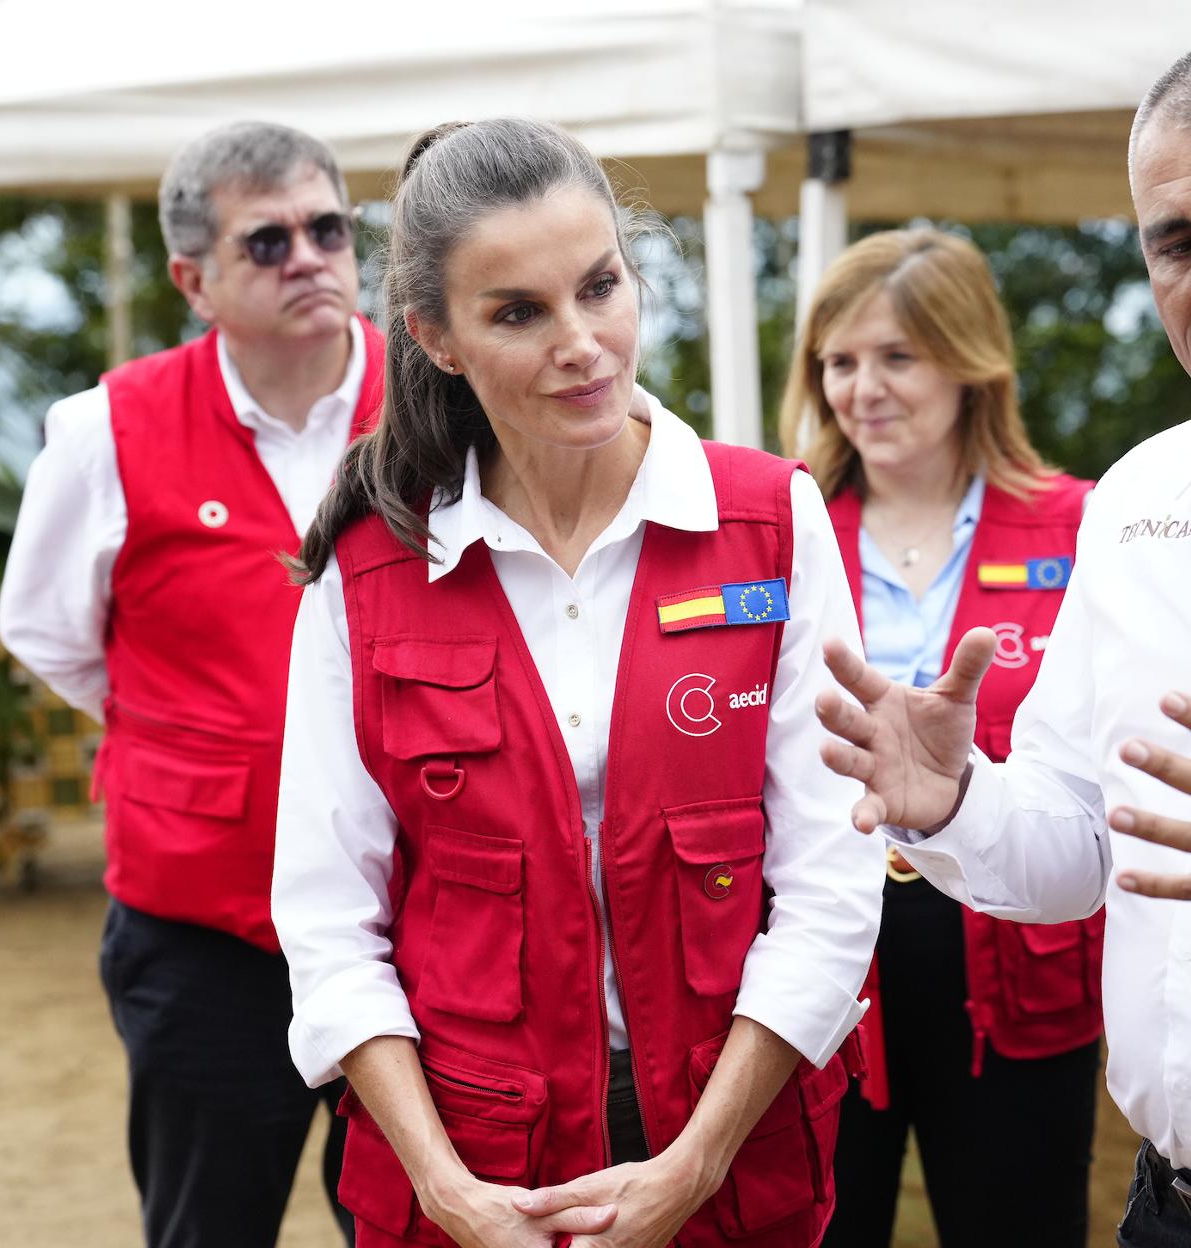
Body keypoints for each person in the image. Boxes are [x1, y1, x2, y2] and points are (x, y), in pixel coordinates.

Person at [271, 117, 885, 1248]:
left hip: (730, 1152)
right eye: (519, 312)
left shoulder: (770, 521)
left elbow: (832, 888)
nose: (584, 343)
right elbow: (326, 921)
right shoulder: (364, 569)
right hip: (468, 1166)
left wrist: (690, 1168)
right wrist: (449, 1194)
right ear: (435, 338)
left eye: (601, 286)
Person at [813, 51, 1191, 1248]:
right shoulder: (1138, 507)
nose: (865, 391)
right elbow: (1078, 839)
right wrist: (958, 804)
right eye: (1176, 240)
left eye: (900, 357)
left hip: (1016, 1024)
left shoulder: (1064, 512)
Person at [0, 121, 384, 1247]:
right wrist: (209, 740)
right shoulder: (103, 431)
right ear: (194, 280)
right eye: (267, 241)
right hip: (205, 928)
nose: (308, 257)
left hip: (415, 909)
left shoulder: (441, 402)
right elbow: (51, 633)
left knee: (422, 1222)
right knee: (207, 1222)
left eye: (328, 228)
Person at [779, 227, 1103, 1247]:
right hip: (826, 950)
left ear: (970, 361)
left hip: (1021, 958)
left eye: (896, 356)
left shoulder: (1082, 528)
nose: (861, 388)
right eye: (839, 361)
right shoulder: (777, 529)